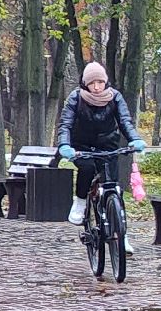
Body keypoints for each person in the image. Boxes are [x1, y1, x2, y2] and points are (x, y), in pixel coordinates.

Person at [56, 62, 146, 226]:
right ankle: (81, 201)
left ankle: (121, 234)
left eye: (100, 82)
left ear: (106, 82)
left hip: (108, 146)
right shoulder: (76, 98)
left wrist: (135, 139)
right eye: (92, 83)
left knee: (113, 188)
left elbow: (125, 121)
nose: (96, 87)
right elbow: (66, 124)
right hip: (81, 147)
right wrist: (64, 145)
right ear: (85, 83)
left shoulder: (115, 97)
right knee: (87, 168)